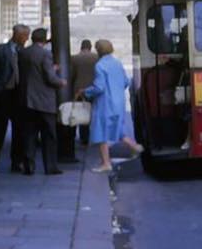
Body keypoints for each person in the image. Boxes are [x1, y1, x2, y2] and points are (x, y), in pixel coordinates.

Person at [77, 39, 143, 173]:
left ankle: (106, 163)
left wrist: (85, 91)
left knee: (101, 133)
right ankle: (135, 147)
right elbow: (125, 82)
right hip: (119, 102)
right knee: (117, 128)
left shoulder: (100, 65)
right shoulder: (117, 63)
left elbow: (99, 87)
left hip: (105, 103)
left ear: (98, 50)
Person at [18, 28, 67, 175]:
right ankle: (50, 166)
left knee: (29, 135)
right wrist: (61, 82)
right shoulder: (46, 54)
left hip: (27, 100)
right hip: (44, 101)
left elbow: (33, 72)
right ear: (44, 40)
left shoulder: (23, 53)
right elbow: (49, 78)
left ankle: (29, 165)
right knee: (49, 135)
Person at [0, 24, 30, 173]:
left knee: (20, 130)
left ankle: (16, 162)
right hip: (3, 94)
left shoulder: (25, 52)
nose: (27, 38)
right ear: (16, 35)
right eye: (24, 35)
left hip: (18, 94)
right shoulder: (0, 50)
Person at [70, 39, 98, 146]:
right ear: (90, 47)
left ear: (81, 47)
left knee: (78, 113)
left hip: (78, 89)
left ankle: (79, 137)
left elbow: (71, 75)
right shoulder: (96, 58)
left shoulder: (74, 58)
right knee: (92, 113)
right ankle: (89, 136)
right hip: (93, 89)